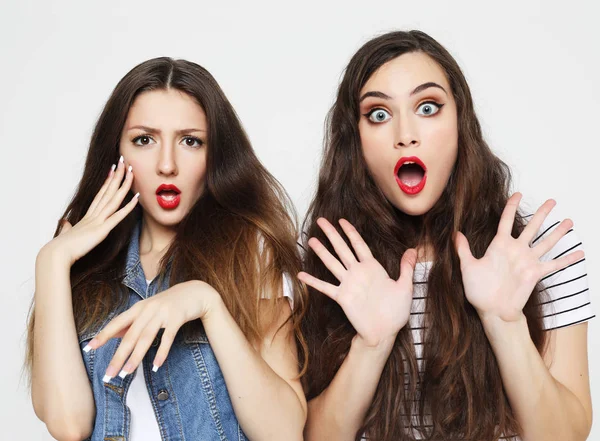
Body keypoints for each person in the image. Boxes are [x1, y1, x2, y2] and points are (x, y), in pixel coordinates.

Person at [299, 30, 594, 441]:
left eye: (427, 106)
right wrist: (372, 344)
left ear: (460, 121)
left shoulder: (530, 250)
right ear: (356, 139)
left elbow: (564, 435)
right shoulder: (330, 261)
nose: (405, 133)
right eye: (378, 114)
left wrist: (504, 322)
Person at [27, 57, 307, 441]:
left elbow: (284, 432)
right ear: (117, 152)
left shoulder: (252, 251)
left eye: (190, 141)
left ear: (215, 156)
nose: (167, 164)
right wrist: (52, 260)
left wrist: (207, 303)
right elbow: (67, 424)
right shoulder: (82, 266)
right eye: (144, 140)